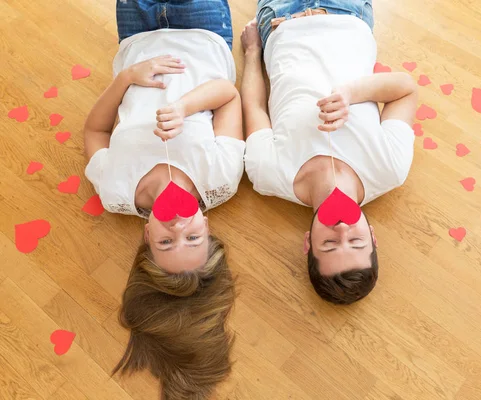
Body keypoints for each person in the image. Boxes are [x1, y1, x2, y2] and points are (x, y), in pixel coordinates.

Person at [83, 0, 241, 398]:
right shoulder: (220, 179)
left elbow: (95, 132)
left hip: (136, 36)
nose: (177, 227)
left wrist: (126, 79)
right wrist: (185, 108)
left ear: (146, 238)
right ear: (207, 228)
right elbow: (229, 95)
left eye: (166, 242)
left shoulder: (116, 191)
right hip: (204, 32)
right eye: (192, 238)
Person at [241, 0, 418, 305]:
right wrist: (352, 93)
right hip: (348, 13)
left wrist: (252, 54)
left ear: (309, 243)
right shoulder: (389, 169)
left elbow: (254, 106)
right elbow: (406, 88)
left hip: (280, 19)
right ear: (372, 236)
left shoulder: (268, 174)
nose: (342, 229)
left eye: (331, 244)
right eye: (356, 241)